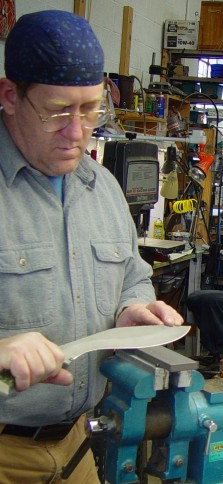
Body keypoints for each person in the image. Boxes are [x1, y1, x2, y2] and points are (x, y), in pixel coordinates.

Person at [0, 10, 183, 483]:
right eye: (58, 111)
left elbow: (132, 273)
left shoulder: (99, 186)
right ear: (9, 97)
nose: (77, 132)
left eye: (90, 110)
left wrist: (132, 308)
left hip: (77, 445)